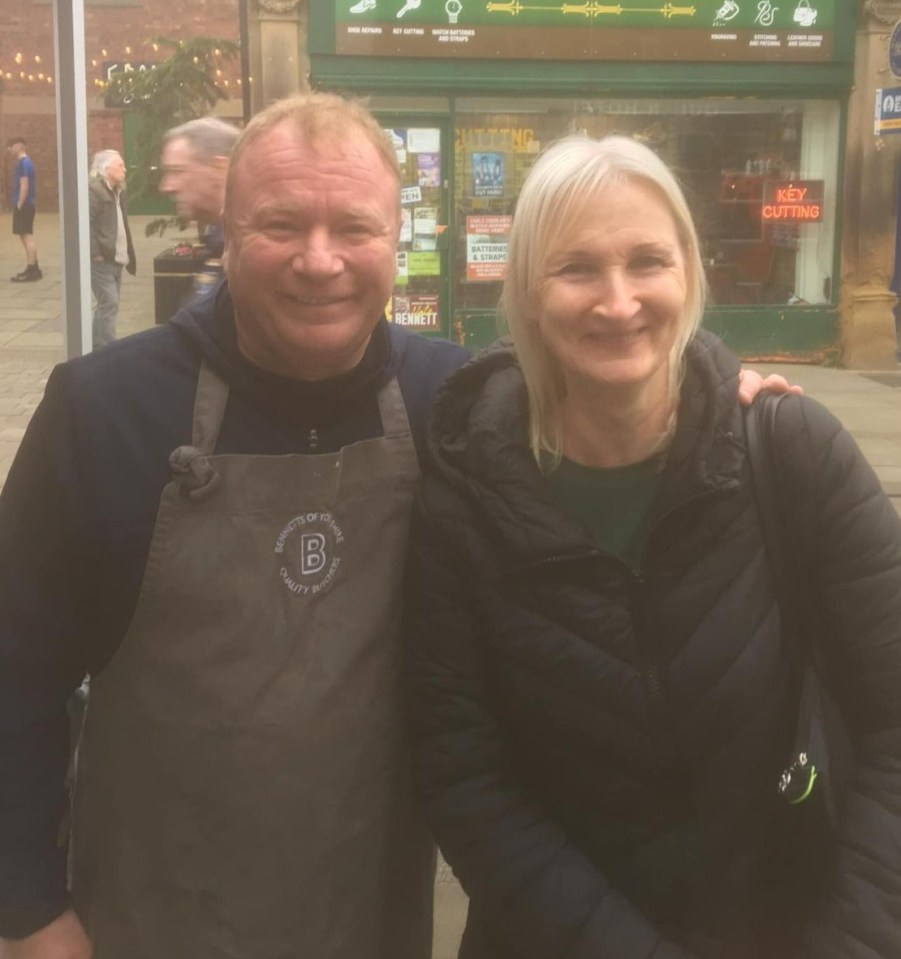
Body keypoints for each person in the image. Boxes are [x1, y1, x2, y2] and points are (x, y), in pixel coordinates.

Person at [0, 95, 789, 957]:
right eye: (280, 224)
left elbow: (609, 387)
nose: (319, 259)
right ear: (224, 232)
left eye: (355, 228)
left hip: (373, 917)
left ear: (397, 240)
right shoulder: (103, 411)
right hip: (145, 923)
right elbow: (14, 675)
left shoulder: (456, 402)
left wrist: (717, 392)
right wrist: (31, 910)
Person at [405, 135, 901, 959]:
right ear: (526, 293)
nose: (618, 300)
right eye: (576, 269)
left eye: (646, 261)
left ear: (688, 275)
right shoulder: (463, 501)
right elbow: (464, 779)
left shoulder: (789, 451)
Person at [159, 116, 240, 294]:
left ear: (220, 168)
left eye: (177, 171)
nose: (167, 187)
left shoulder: (245, 258)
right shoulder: (223, 244)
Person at [88, 150, 136, 349]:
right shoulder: (94, 191)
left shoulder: (119, 191)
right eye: (120, 165)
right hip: (103, 259)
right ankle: (105, 347)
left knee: (108, 305)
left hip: (117, 257)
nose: (124, 169)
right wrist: (95, 253)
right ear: (106, 169)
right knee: (109, 303)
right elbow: (86, 224)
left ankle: (96, 344)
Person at [7, 137, 40, 283]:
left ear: (19, 147)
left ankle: (32, 270)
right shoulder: (27, 163)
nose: (9, 149)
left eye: (11, 146)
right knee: (25, 236)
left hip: (24, 205)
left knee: (26, 236)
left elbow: (24, 184)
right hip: (28, 204)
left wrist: (19, 203)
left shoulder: (23, 164)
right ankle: (33, 267)